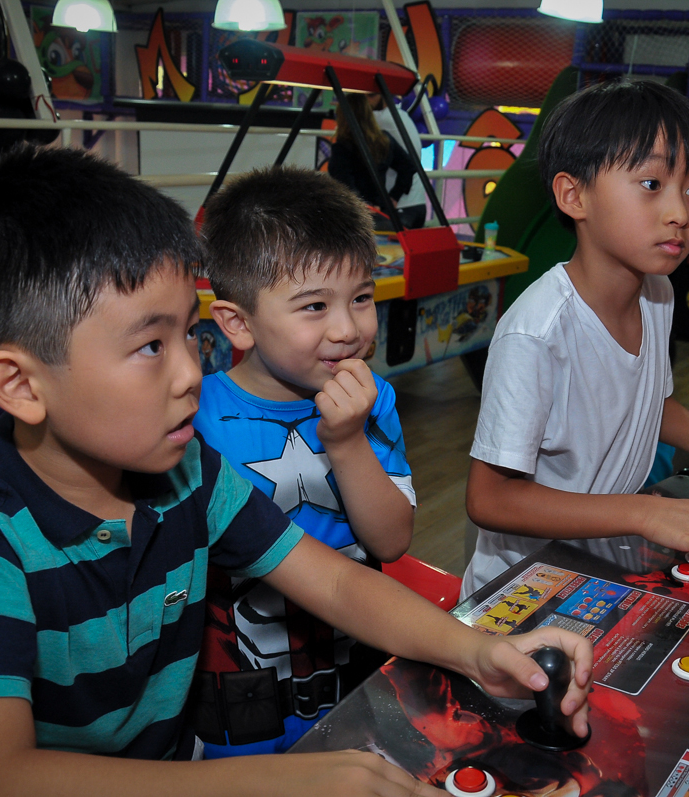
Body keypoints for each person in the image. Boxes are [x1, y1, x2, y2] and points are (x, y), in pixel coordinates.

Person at [0, 145, 592, 797]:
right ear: (21, 386)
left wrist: (479, 653)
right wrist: (276, 783)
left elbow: (335, 582)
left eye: (184, 335)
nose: (188, 372)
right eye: (150, 346)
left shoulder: (189, 474)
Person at [461, 79, 689, 598]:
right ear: (574, 195)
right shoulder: (537, 333)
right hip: (520, 588)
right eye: (651, 185)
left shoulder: (656, 295)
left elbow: (640, 400)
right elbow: (491, 499)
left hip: (596, 563)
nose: (681, 214)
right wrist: (643, 511)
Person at [192, 166, 414, 756]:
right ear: (238, 323)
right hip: (241, 683)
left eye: (362, 297)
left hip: (355, 661)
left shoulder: (372, 399)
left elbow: (391, 540)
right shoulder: (197, 416)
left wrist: (346, 442)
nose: (348, 329)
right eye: (314, 306)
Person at [328, 93, 418, 228]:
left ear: (342, 116)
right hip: (381, 210)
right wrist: (394, 197)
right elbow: (409, 166)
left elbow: (345, 182)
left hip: (356, 216)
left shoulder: (343, 146)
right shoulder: (384, 140)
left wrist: (361, 205)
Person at [370, 93, 428, 229]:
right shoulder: (401, 115)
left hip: (401, 205)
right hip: (416, 204)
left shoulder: (383, 119)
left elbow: (351, 121)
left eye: (370, 96)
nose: (367, 102)